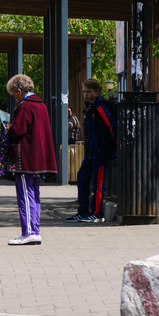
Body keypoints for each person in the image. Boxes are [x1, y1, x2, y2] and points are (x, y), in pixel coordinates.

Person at [5, 74, 57, 245]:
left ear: (19, 91)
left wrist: (9, 128)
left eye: (14, 94)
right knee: (34, 194)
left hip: (25, 158)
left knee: (25, 195)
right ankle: (34, 230)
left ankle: (28, 232)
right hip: (38, 158)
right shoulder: (40, 105)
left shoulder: (25, 106)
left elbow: (17, 130)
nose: (15, 98)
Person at [66, 78, 117, 223]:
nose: (85, 95)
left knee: (98, 182)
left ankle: (96, 213)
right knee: (82, 178)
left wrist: (113, 144)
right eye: (84, 92)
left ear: (97, 91)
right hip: (92, 150)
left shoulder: (100, 107)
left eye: (88, 92)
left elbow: (111, 124)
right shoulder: (92, 108)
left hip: (101, 150)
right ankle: (83, 211)